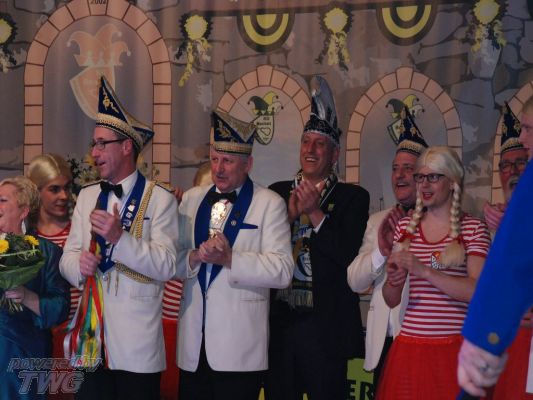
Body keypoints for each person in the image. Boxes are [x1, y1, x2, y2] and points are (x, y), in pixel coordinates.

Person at [60, 76, 179, 400]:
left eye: (102, 144)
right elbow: (68, 256)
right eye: (93, 144)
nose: (94, 152)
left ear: (127, 146)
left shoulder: (160, 199)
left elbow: (167, 265)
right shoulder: (87, 196)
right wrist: (79, 265)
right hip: (90, 341)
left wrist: (120, 238)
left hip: (137, 351)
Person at [175, 110, 293, 400]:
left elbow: (283, 271)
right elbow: (172, 262)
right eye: (214, 159)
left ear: (248, 164)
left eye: (227, 161)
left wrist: (230, 259)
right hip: (192, 349)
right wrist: (194, 256)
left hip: (240, 352)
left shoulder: (270, 204)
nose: (218, 169)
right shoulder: (191, 199)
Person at [266, 76, 369, 399]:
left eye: (319, 144)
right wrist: (289, 217)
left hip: (327, 330)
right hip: (281, 325)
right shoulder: (276, 193)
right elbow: (262, 250)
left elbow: (347, 256)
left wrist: (315, 213)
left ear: (334, 154)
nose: (310, 150)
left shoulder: (353, 198)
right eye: (306, 142)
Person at [377, 146, 491, 400]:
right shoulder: (405, 228)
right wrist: (393, 281)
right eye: (420, 177)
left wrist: (425, 271)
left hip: (454, 350)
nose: (424, 184)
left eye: (433, 177)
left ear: (452, 182)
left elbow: (477, 292)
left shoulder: (473, 229)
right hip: (409, 351)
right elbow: (391, 299)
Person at [347, 105, 428, 387]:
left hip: (423, 340)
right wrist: (381, 252)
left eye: (408, 169)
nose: (399, 175)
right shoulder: (378, 221)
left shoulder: (440, 222)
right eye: (395, 169)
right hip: (383, 343)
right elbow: (355, 281)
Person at [458, 95, 533, 398]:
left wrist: (480, 341)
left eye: (529, 129)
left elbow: (510, 267)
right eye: (505, 165)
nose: (524, 139)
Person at [0, 176, 70, 400]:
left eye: (2, 200)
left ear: (23, 211)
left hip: (24, 355)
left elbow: (60, 308)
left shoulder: (47, 252)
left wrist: (26, 296)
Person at [27, 153, 81, 400]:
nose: (63, 196)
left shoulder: (80, 231)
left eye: (66, 188)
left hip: (80, 339)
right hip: (36, 341)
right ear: (36, 191)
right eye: (54, 189)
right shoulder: (22, 237)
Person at [161, 161, 213, 400]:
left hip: (202, 331)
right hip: (169, 323)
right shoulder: (180, 220)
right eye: (203, 190)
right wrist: (171, 214)